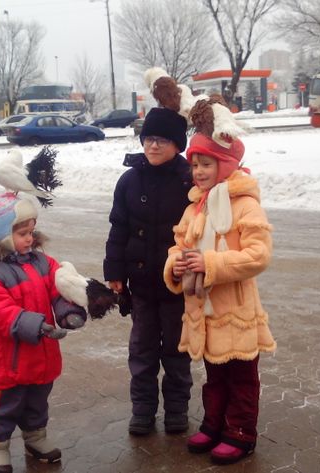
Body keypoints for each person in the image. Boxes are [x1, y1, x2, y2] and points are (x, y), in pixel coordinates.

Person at [163, 97, 275, 465]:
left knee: (241, 376)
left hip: (236, 310)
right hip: (206, 312)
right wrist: (176, 266)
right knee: (214, 376)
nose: (197, 171)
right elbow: (180, 245)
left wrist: (211, 263)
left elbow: (258, 256)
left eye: (205, 163)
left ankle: (241, 431)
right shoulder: (195, 206)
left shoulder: (245, 205)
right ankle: (214, 424)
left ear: (225, 165)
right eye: (194, 163)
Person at [0, 192, 86, 473]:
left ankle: (35, 438)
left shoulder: (43, 263)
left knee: (37, 399)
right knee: (5, 404)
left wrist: (69, 312)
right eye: (22, 233)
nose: (30, 239)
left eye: (31, 231)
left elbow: (58, 289)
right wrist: (36, 325)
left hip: (41, 352)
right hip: (9, 357)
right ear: (2, 234)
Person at [103, 105, 194, 436]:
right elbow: (118, 230)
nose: (153, 146)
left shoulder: (190, 181)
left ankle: (176, 410)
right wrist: (114, 272)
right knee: (141, 352)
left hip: (177, 287)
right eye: (148, 139)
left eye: (162, 140)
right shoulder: (129, 181)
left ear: (177, 144)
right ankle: (142, 410)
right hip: (140, 286)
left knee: (176, 351)